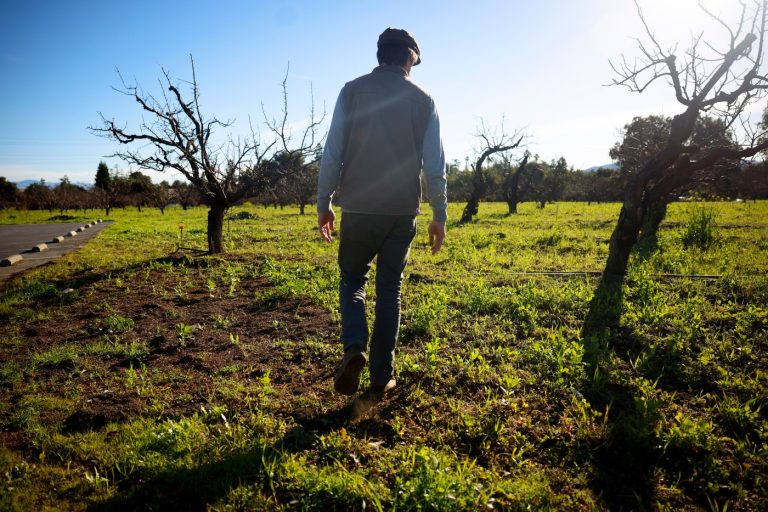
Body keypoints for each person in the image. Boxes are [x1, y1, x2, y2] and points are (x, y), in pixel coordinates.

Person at [316, 28, 448, 400]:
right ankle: (381, 376)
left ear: (380, 55)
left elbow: (332, 152)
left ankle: (353, 346)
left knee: (352, 279)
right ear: (408, 57)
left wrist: (323, 202)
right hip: (401, 212)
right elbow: (435, 166)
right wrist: (440, 213)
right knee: (390, 289)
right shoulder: (424, 100)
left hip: (357, 207)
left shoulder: (351, 91)